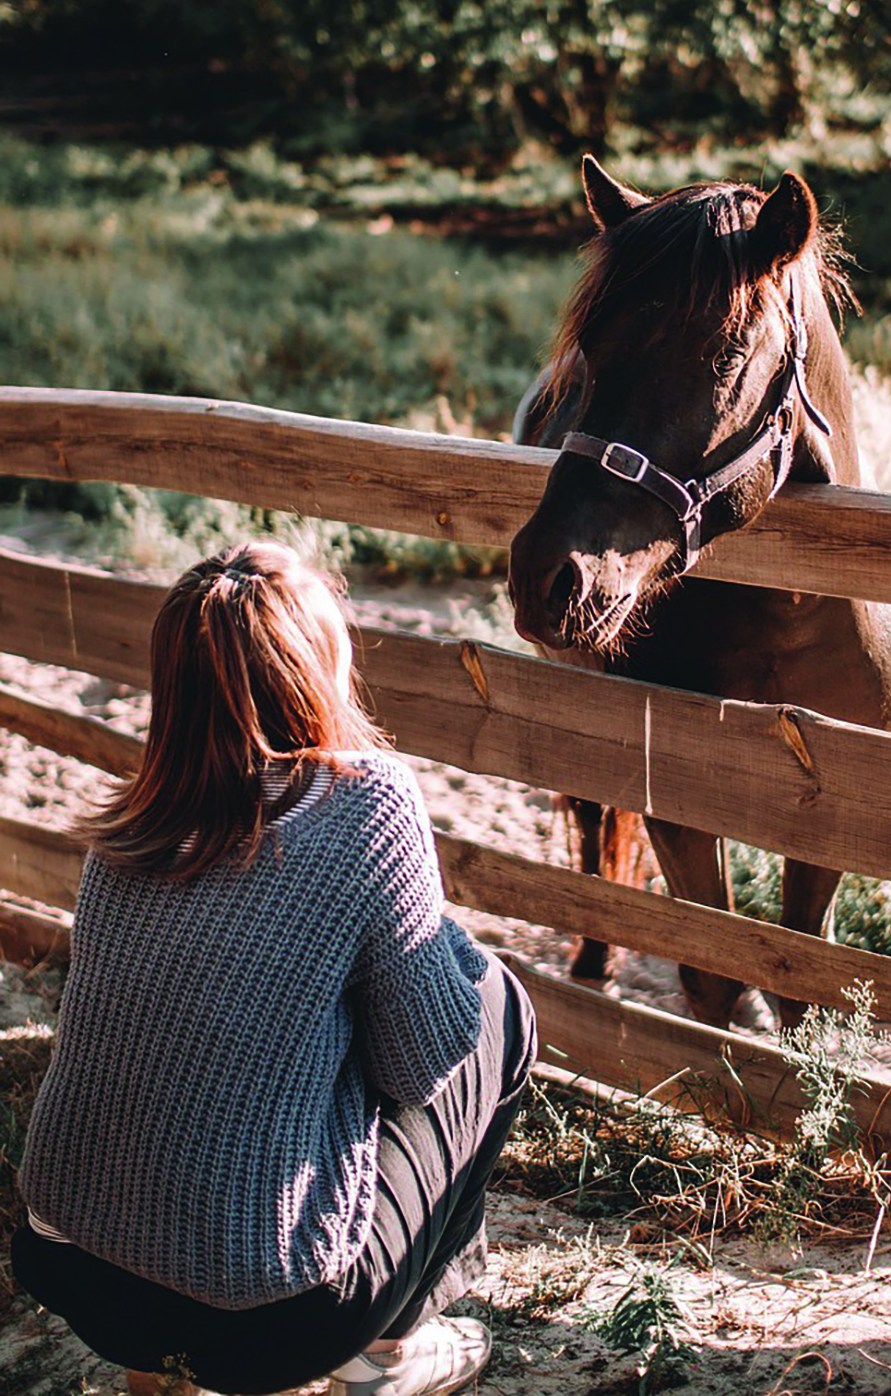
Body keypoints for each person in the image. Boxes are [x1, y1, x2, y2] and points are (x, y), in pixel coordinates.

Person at [12, 539, 536, 1396]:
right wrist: (428, 931)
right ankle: (388, 1345)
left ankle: (160, 1374)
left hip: (79, 1277)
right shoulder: (366, 803)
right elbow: (420, 1064)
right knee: (500, 1008)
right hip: (270, 1317)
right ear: (313, 668)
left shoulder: (133, 824)